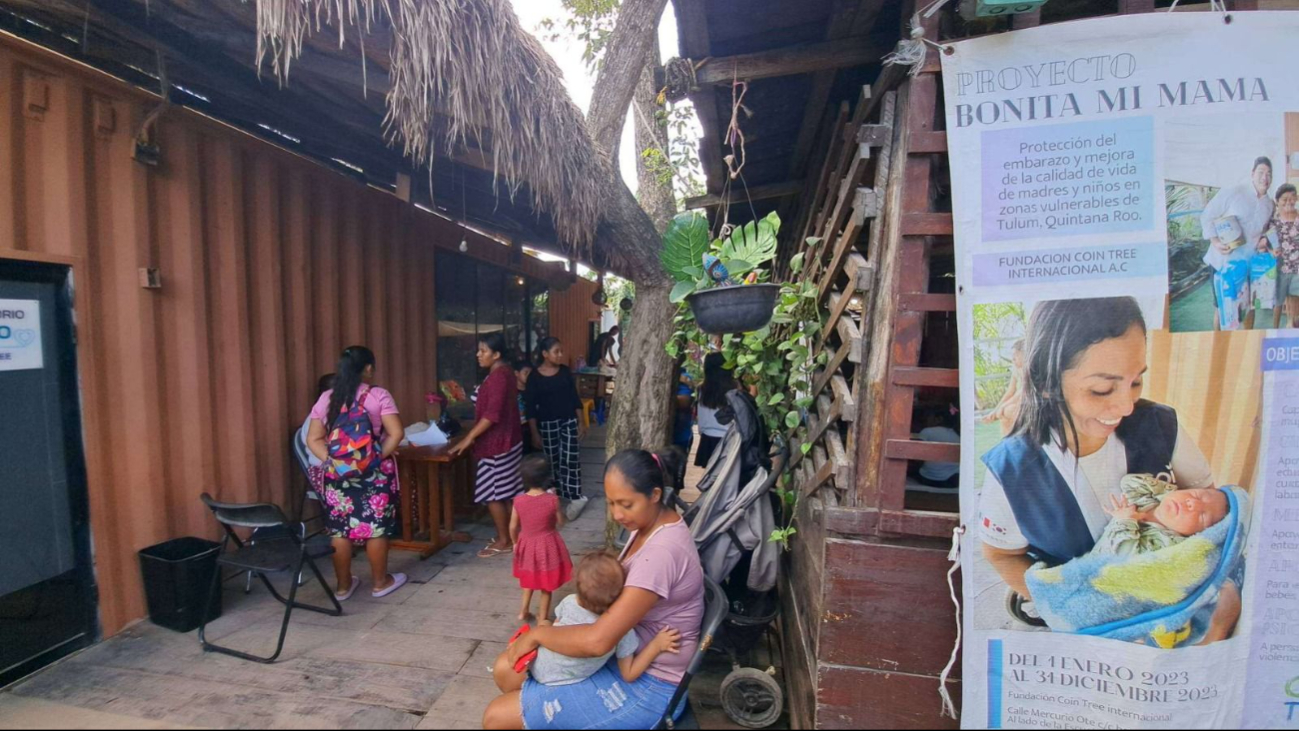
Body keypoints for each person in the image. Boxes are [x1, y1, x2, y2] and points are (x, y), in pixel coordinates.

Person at [977, 297, 1241, 645]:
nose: (1125, 406)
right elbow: (1000, 553)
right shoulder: (1012, 471)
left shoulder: (1160, 425)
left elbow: (1213, 510)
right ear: (1045, 382)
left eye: (1136, 382)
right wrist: (1066, 607)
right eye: (1101, 389)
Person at [483, 449, 704, 730]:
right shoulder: (649, 523)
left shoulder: (660, 554)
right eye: (611, 503)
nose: (617, 514)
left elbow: (597, 642)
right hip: (625, 654)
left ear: (655, 494)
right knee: (506, 670)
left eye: (625, 504)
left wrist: (539, 633)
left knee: (496, 717)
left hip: (650, 682)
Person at [493, 553, 683, 694]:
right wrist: (657, 645)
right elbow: (629, 673)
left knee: (545, 623)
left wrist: (544, 625)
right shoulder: (622, 630)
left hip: (538, 665)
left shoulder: (569, 602)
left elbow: (556, 629)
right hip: (564, 682)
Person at [305, 347, 407, 600]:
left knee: (340, 529)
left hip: (337, 474)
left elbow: (313, 438)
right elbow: (396, 433)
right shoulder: (378, 395)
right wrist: (374, 458)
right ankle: (380, 583)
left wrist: (332, 461)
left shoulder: (328, 398)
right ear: (368, 368)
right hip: (374, 473)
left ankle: (342, 587)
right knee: (375, 527)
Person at [450, 332, 524, 559]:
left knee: (493, 494)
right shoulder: (501, 373)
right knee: (509, 491)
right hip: (508, 439)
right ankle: (514, 537)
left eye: (483, 351)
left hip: (498, 443)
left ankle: (505, 540)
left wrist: (468, 437)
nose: (478, 355)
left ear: (497, 354)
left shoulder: (500, 377)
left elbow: (492, 415)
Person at [1200, 156, 1274, 331]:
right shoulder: (1234, 192)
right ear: (1252, 174)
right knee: (1222, 309)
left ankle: (1248, 344)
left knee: (1250, 305)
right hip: (1222, 262)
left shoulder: (1269, 205)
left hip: (1248, 265)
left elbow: (1263, 230)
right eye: (1261, 172)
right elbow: (1207, 216)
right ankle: (1218, 347)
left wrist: (1264, 241)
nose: (1265, 177)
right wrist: (1216, 241)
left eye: (1269, 174)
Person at [525, 337, 588, 518]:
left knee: (570, 458)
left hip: (568, 421)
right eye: (556, 351)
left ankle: (575, 497)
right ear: (545, 354)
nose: (560, 355)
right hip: (546, 424)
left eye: (561, 351)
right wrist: (535, 432)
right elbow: (530, 408)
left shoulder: (565, 372)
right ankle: (554, 498)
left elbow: (575, 398)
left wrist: (581, 422)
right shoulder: (534, 377)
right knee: (551, 461)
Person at [1094, 476, 1230, 556]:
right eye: (1197, 495)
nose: (1193, 504)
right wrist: (1168, 495)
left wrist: (1125, 520)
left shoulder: (1169, 545)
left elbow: (1123, 557)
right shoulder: (1147, 500)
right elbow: (1128, 481)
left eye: (1202, 516)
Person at [511, 454, 573, 624]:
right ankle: (542, 618)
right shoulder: (552, 500)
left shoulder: (519, 501)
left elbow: (513, 526)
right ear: (547, 477)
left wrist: (515, 542)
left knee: (529, 578)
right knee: (547, 585)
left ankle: (523, 611)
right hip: (547, 544)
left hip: (527, 543)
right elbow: (561, 521)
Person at [695, 353, 736, 468]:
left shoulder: (702, 389)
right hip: (728, 438)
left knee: (710, 475)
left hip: (707, 438)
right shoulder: (734, 389)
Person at [1269, 183, 1299, 328]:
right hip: (1280, 268)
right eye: (1284, 199)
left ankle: (1292, 324)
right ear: (1277, 201)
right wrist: (1271, 251)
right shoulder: (1274, 221)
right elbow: (1267, 242)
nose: (1289, 202)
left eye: (1292, 198)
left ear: (1297, 198)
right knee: (1278, 301)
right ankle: (1274, 328)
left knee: (1295, 298)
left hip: (1297, 268)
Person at [981, 339, 1024, 437]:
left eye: (1015, 356)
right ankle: (1006, 439)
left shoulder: (1028, 369)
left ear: (1024, 355)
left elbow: (1023, 392)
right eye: (1012, 356)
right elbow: (1010, 392)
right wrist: (995, 409)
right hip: (1019, 401)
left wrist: (1002, 408)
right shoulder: (1016, 369)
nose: (1013, 359)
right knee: (1002, 413)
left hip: (1027, 402)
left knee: (1005, 411)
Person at [916, 405, 961, 490]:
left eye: (929, 417)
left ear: (938, 419)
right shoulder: (957, 435)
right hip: (951, 481)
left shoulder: (927, 431)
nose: (926, 420)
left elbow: (917, 455)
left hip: (929, 479)